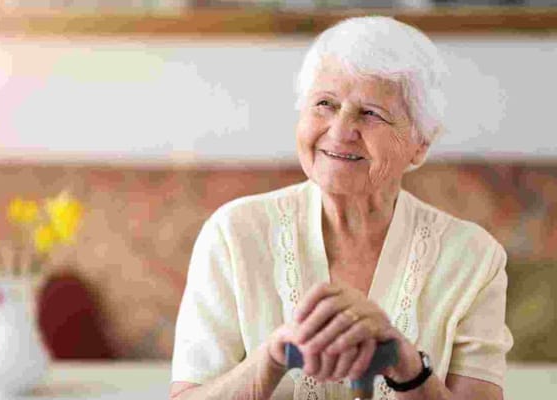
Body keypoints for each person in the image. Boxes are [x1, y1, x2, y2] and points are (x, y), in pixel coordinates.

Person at [169, 16, 513, 400]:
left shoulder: (473, 257)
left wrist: (406, 365)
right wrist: (273, 355)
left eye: (370, 113)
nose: (340, 129)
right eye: (325, 104)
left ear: (420, 143)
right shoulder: (233, 233)